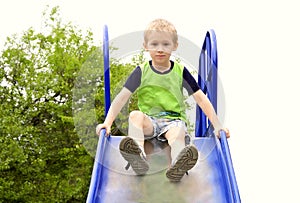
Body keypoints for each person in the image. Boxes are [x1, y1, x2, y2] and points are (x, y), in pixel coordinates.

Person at [96, 18, 230, 182]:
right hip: (150, 123)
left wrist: (217, 125)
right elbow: (121, 98)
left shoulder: (180, 71)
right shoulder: (141, 71)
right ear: (145, 46)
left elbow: (201, 99)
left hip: (173, 121)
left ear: (175, 46)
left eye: (166, 44)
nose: (160, 49)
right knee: (135, 116)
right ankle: (138, 155)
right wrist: (107, 123)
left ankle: (177, 164)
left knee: (177, 135)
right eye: (154, 44)